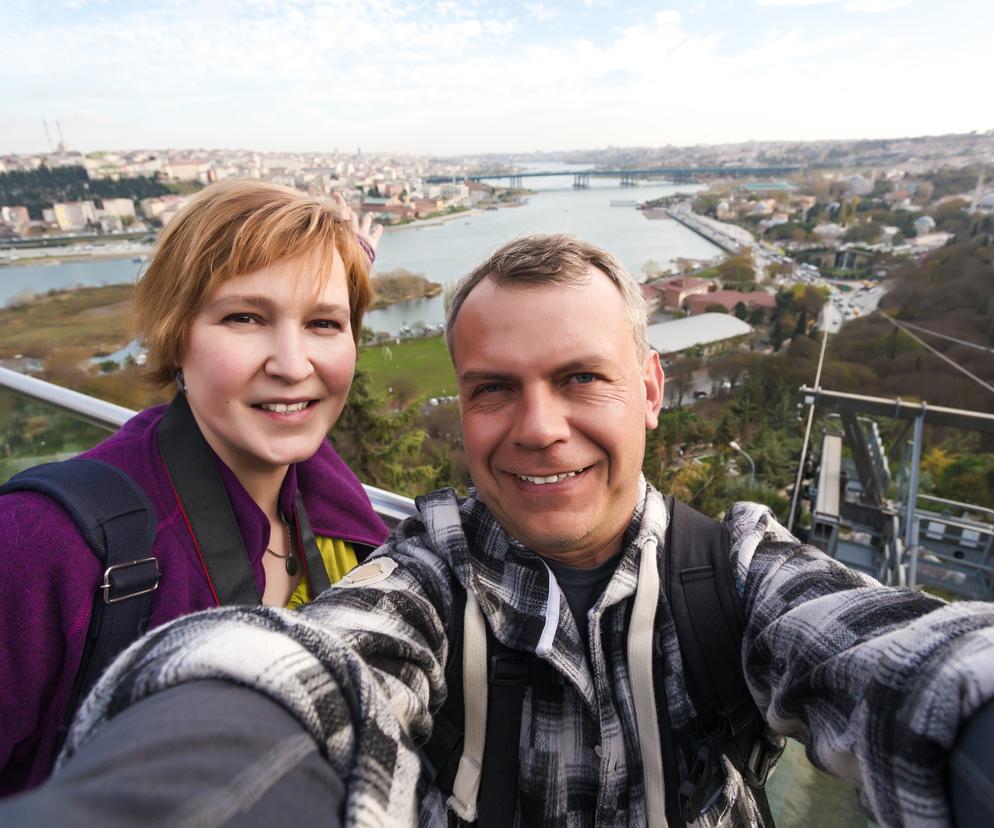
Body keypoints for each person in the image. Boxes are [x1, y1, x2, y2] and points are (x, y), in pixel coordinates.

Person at [3, 235, 993, 827]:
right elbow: (301, 675)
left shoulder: (732, 575)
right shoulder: (426, 581)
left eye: (579, 378)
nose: (538, 427)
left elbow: (902, 662)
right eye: (492, 390)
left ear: (649, 390)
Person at [0, 180, 390, 796]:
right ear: (176, 334)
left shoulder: (320, 495)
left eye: (324, 323)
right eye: (244, 318)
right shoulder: (41, 544)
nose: (293, 365)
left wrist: (351, 257)